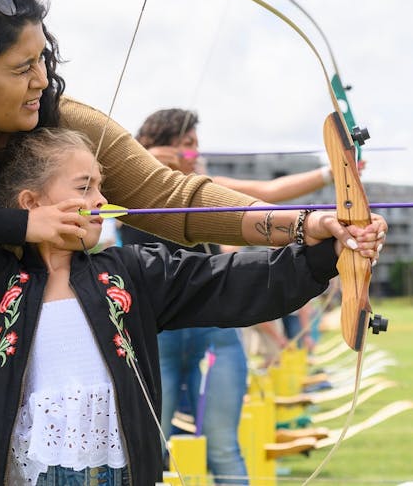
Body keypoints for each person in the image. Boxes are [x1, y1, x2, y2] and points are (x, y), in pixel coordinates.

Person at [0, 0, 387, 476]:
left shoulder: (65, 130)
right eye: (21, 67)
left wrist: (309, 227)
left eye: (42, 58)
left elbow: (174, 197)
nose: (41, 79)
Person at [0, 126, 378, 485]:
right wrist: (20, 225)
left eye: (101, 186)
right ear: (31, 201)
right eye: (84, 187)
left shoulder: (128, 272)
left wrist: (326, 250)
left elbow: (228, 282)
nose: (100, 199)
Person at [119, 108, 338, 485]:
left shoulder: (206, 187)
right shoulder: (130, 191)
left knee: (224, 447)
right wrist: (146, 162)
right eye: (186, 144)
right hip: (154, 335)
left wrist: (332, 174)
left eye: (196, 143)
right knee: (148, 448)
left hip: (213, 329)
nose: (194, 151)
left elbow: (268, 195)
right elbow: (104, 194)